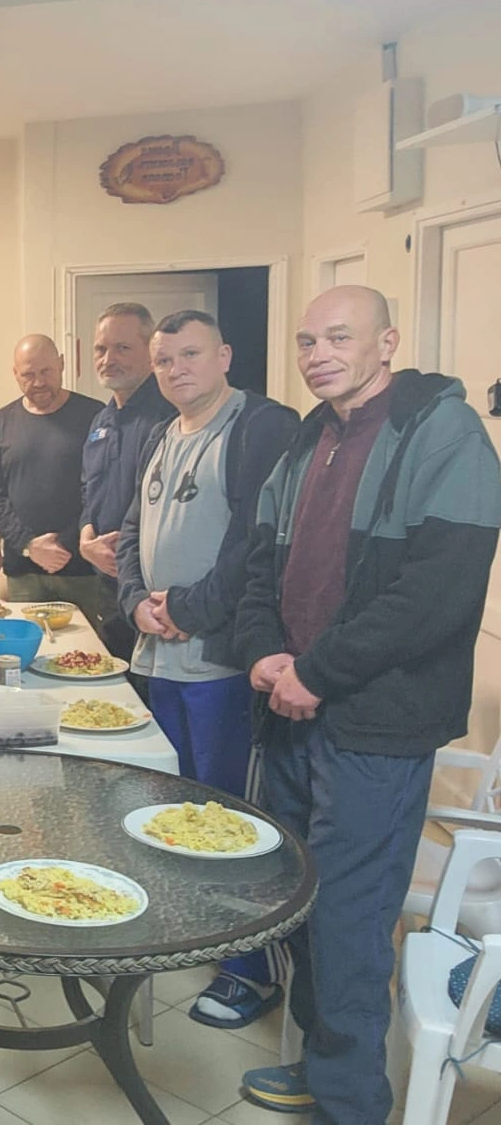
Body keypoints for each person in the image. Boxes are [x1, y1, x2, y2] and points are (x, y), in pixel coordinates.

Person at [235, 286, 501, 1122]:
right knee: (302, 900)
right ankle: (322, 1065)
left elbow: (437, 595)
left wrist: (316, 672)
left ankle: (352, 1103)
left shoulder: (444, 433)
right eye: (308, 339)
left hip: (373, 725)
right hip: (291, 708)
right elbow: (258, 567)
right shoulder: (311, 437)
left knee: (351, 920)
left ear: (387, 342)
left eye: (339, 336)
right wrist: (266, 652)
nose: (318, 352)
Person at [117, 309, 298, 1030]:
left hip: (220, 662)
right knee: (168, 806)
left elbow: (260, 544)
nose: (176, 370)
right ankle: (192, 930)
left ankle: (250, 971)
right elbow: (131, 531)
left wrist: (190, 608)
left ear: (224, 354)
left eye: (190, 355)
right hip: (157, 654)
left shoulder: (260, 427)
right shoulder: (163, 433)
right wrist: (134, 602)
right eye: (164, 361)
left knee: (228, 817)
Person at [0, 334, 107, 624]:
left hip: (82, 569)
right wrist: (29, 545)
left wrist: (64, 544)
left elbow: (102, 490)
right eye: (28, 374)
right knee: (28, 656)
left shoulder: (95, 415)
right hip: (23, 570)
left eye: (46, 371)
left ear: (62, 365)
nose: (38, 382)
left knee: (84, 658)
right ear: (15, 374)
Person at [77, 303, 176, 661]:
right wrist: (86, 539)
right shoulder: (101, 420)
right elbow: (90, 491)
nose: (109, 359)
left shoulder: (171, 417)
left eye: (122, 348)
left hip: (152, 591)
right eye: (101, 349)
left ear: (150, 353)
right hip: (106, 584)